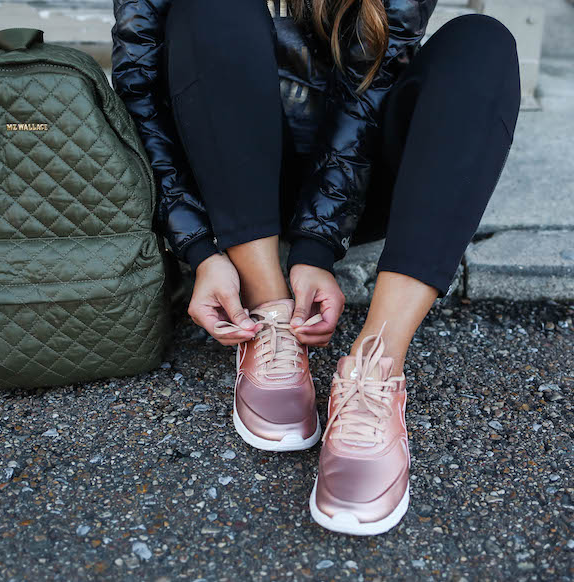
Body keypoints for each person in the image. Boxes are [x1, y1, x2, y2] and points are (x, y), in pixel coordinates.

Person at [111, 0, 521, 535]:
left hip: (357, 174)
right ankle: (268, 306)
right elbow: (139, 90)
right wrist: (198, 249)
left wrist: (316, 247)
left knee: (482, 43)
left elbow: (373, 91)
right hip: (219, 165)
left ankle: (376, 369)